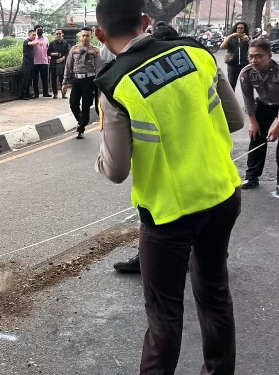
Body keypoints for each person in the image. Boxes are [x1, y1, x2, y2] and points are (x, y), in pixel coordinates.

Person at [93, 0, 244, 372]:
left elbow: (115, 171)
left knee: (164, 318)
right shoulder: (196, 53)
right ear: (146, 21)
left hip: (169, 214)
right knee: (215, 295)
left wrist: (99, 155)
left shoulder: (116, 84)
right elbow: (236, 120)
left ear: (100, 34)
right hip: (223, 194)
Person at [112, 21, 179, 274]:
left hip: (164, 175)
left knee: (163, 302)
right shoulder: (197, 63)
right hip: (214, 182)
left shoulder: (131, 78)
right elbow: (233, 120)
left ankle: (150, 259)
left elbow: (115, 171)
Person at [238, 39, 279, 194]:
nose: (254, 60)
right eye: (251, 56)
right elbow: (248, 99)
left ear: (269, 55)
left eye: (258, 56)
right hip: (264, 104)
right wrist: (253, 123)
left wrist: (276, 128)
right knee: (256, 136)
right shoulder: (246, 73)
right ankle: (252, 176)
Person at [62, 27, 102, 139]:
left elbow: (98, 68)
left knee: (86, 106)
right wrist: (64, 82)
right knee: (73, 104)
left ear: (91, 37)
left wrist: (99, 85)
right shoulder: (74, 49)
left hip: (89, 81)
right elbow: (68, 66)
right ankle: (82, 121)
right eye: (83, 35)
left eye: (87, 35)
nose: (85, 37)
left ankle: (81, 128)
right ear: (80, 37)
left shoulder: (95, 50)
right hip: (76, 80)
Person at [221, 22, 251, 90]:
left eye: (241, 28)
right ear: (235, 29)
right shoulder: (231, 38)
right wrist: (231, 36)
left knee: (247, 85)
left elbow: (253, 47)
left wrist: (248, 40)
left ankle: (248, 99)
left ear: (244, 29)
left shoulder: (247, 37)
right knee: (231, 85)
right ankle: (231, 100)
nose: (239, 30)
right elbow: (222, 46)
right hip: (232, 65)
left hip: (244, 64)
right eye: (238, 28)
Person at [47, 29, 70, 99]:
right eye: (57, 34)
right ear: (55, 34)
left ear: (62, 34)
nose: (58, 35)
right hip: (53, 63)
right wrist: (55, 54)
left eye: (59, 34)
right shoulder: (52, 43)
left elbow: (67, 53)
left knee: (62, 79)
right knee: (53, 79)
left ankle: (63, 93)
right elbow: (48, 53)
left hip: (62, 63)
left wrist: (62, 58)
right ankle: (55, 93)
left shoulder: (65, 43)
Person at [32, 25, 51, 98]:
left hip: (44, 61)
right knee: (35, 78)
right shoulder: (33, 39)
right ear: (35, 31)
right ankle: (36, 93)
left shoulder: (46, 39)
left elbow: (48, 49)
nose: (40, 30)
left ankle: (45, 92)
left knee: (45, 78)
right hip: (35, 62)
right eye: (38, 29)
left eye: (41, 29)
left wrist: (49, 59)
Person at [21, 30, 39, 100]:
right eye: (33, 35)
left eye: (35, 35)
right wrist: (37, 42)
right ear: (29, 35)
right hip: (26, 64)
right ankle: (23, 94)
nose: (34, 36)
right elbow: (29, 43)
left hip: (31, 63)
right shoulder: (26, 41)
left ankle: (28, 94)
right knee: (25, 79)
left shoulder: (32, 43)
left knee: (29, 79)